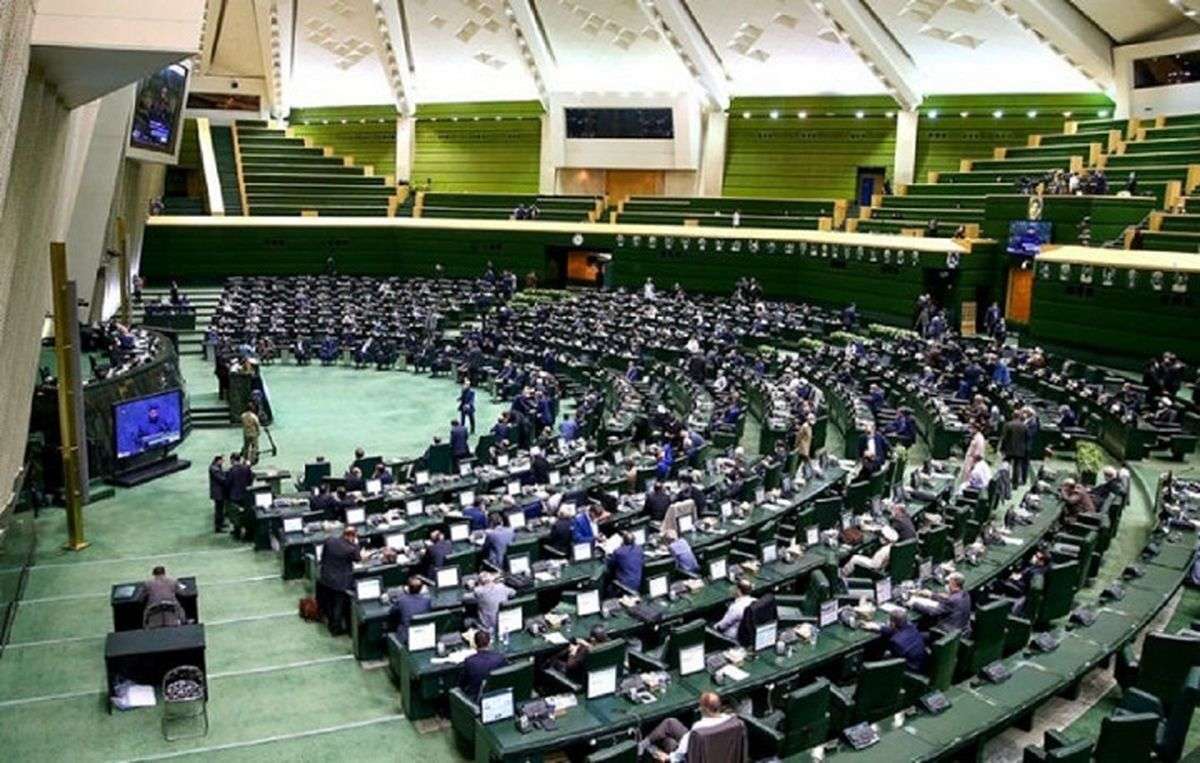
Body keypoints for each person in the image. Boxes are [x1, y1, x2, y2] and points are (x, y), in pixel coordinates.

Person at [642, 692, 736, 762]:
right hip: (716, 756)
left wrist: (668, 758)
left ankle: (641, 747)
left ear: (705, 709)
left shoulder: (699, 728)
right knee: (670, 723)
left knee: (669, 742)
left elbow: (683, 750)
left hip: (696, 757)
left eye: (701, 706)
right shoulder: (729, 720)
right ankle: (643, 745)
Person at [318, 527, 363, 633]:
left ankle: (330, 622)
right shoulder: (351, 549)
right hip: (340, 582)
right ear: (351, 536)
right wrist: (356, 544)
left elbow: (322, 557)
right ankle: (335, 629)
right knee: (338, 605)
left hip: (326, 577)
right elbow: (358, 558)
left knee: (330, 602)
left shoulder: (329, 541)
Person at [459, 631, 508, 700]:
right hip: (498, 696)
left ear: (475, 644)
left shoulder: (469, 661)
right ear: (489, 642)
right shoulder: (500, 658)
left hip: (476, 699)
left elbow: (462, 684)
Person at [388, 576, 432, 644]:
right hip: (424, 634)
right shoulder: (427, 600)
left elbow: (392, 612)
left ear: (408, 588)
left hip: (406, 637)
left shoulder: (402, 600)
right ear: (421, 589)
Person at [999, 412, 1029, 487]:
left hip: (1009, 449)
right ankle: (1015, 484)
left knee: (1006, 465)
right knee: (1017, 466)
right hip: (1020, 449)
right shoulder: (1024, 426)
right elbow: (1027, 438)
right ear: (1019, 416)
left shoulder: (1008, 425)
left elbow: (1004, 438)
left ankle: (1004, 482)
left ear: (1012, 416)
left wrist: (1002, 448)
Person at [208, 454, 228, 533]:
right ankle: (218, 527)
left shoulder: (216, 467)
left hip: (219, 492)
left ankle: (221, 523)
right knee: (218, 510)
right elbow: (221, 479)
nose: (223, 462)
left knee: (221, 509)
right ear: (218, 460)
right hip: (217, 492)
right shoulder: (214, 469)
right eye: (222, 461)